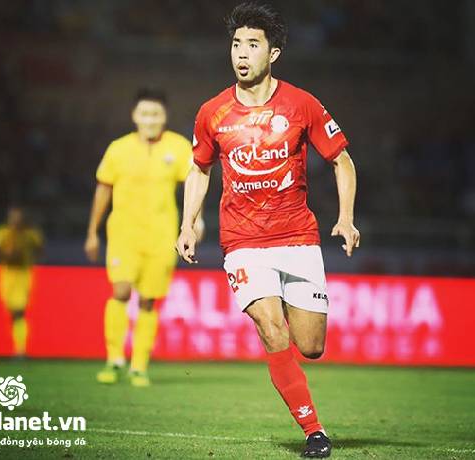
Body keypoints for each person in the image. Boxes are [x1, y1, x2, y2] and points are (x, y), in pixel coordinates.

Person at [176, 3, 359, 457]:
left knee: (311, 346)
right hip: (242, 242)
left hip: (297, 237)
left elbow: (341, 160)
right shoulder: (213, 112)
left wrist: (346, 217)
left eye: (252, 45)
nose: (241, 53)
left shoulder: (302, 104)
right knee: (271, 328)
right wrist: (188, 224)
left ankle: (297, 369)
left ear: (273, 53)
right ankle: (314, 431)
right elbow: (199, 169)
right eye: (236, 44)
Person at [85, 88, 202, 387]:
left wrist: (195, 220)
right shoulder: (118, 149)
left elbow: (194, 183)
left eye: (156, 114)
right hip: (123, 234)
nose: (150, 120)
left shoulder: (178, 147)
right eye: (145, 114)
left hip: (162, 236)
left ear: (164, 117)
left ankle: (139, 365)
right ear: (134, 116)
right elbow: (103, 189)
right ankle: (114, 359)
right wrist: (92, 232)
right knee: (121, 291)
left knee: (149, 301)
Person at [0, 205, 44, 356]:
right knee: (12, 312)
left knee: (19, 312)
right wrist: (5, 255)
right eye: (13, 217)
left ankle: (21, 349)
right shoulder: (0, 233)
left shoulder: (31, 234)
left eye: (19, 217)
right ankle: (18, 346)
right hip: (6, 274)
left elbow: (40, 249)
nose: (16, 220)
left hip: (23, 274)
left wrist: (26, 257)